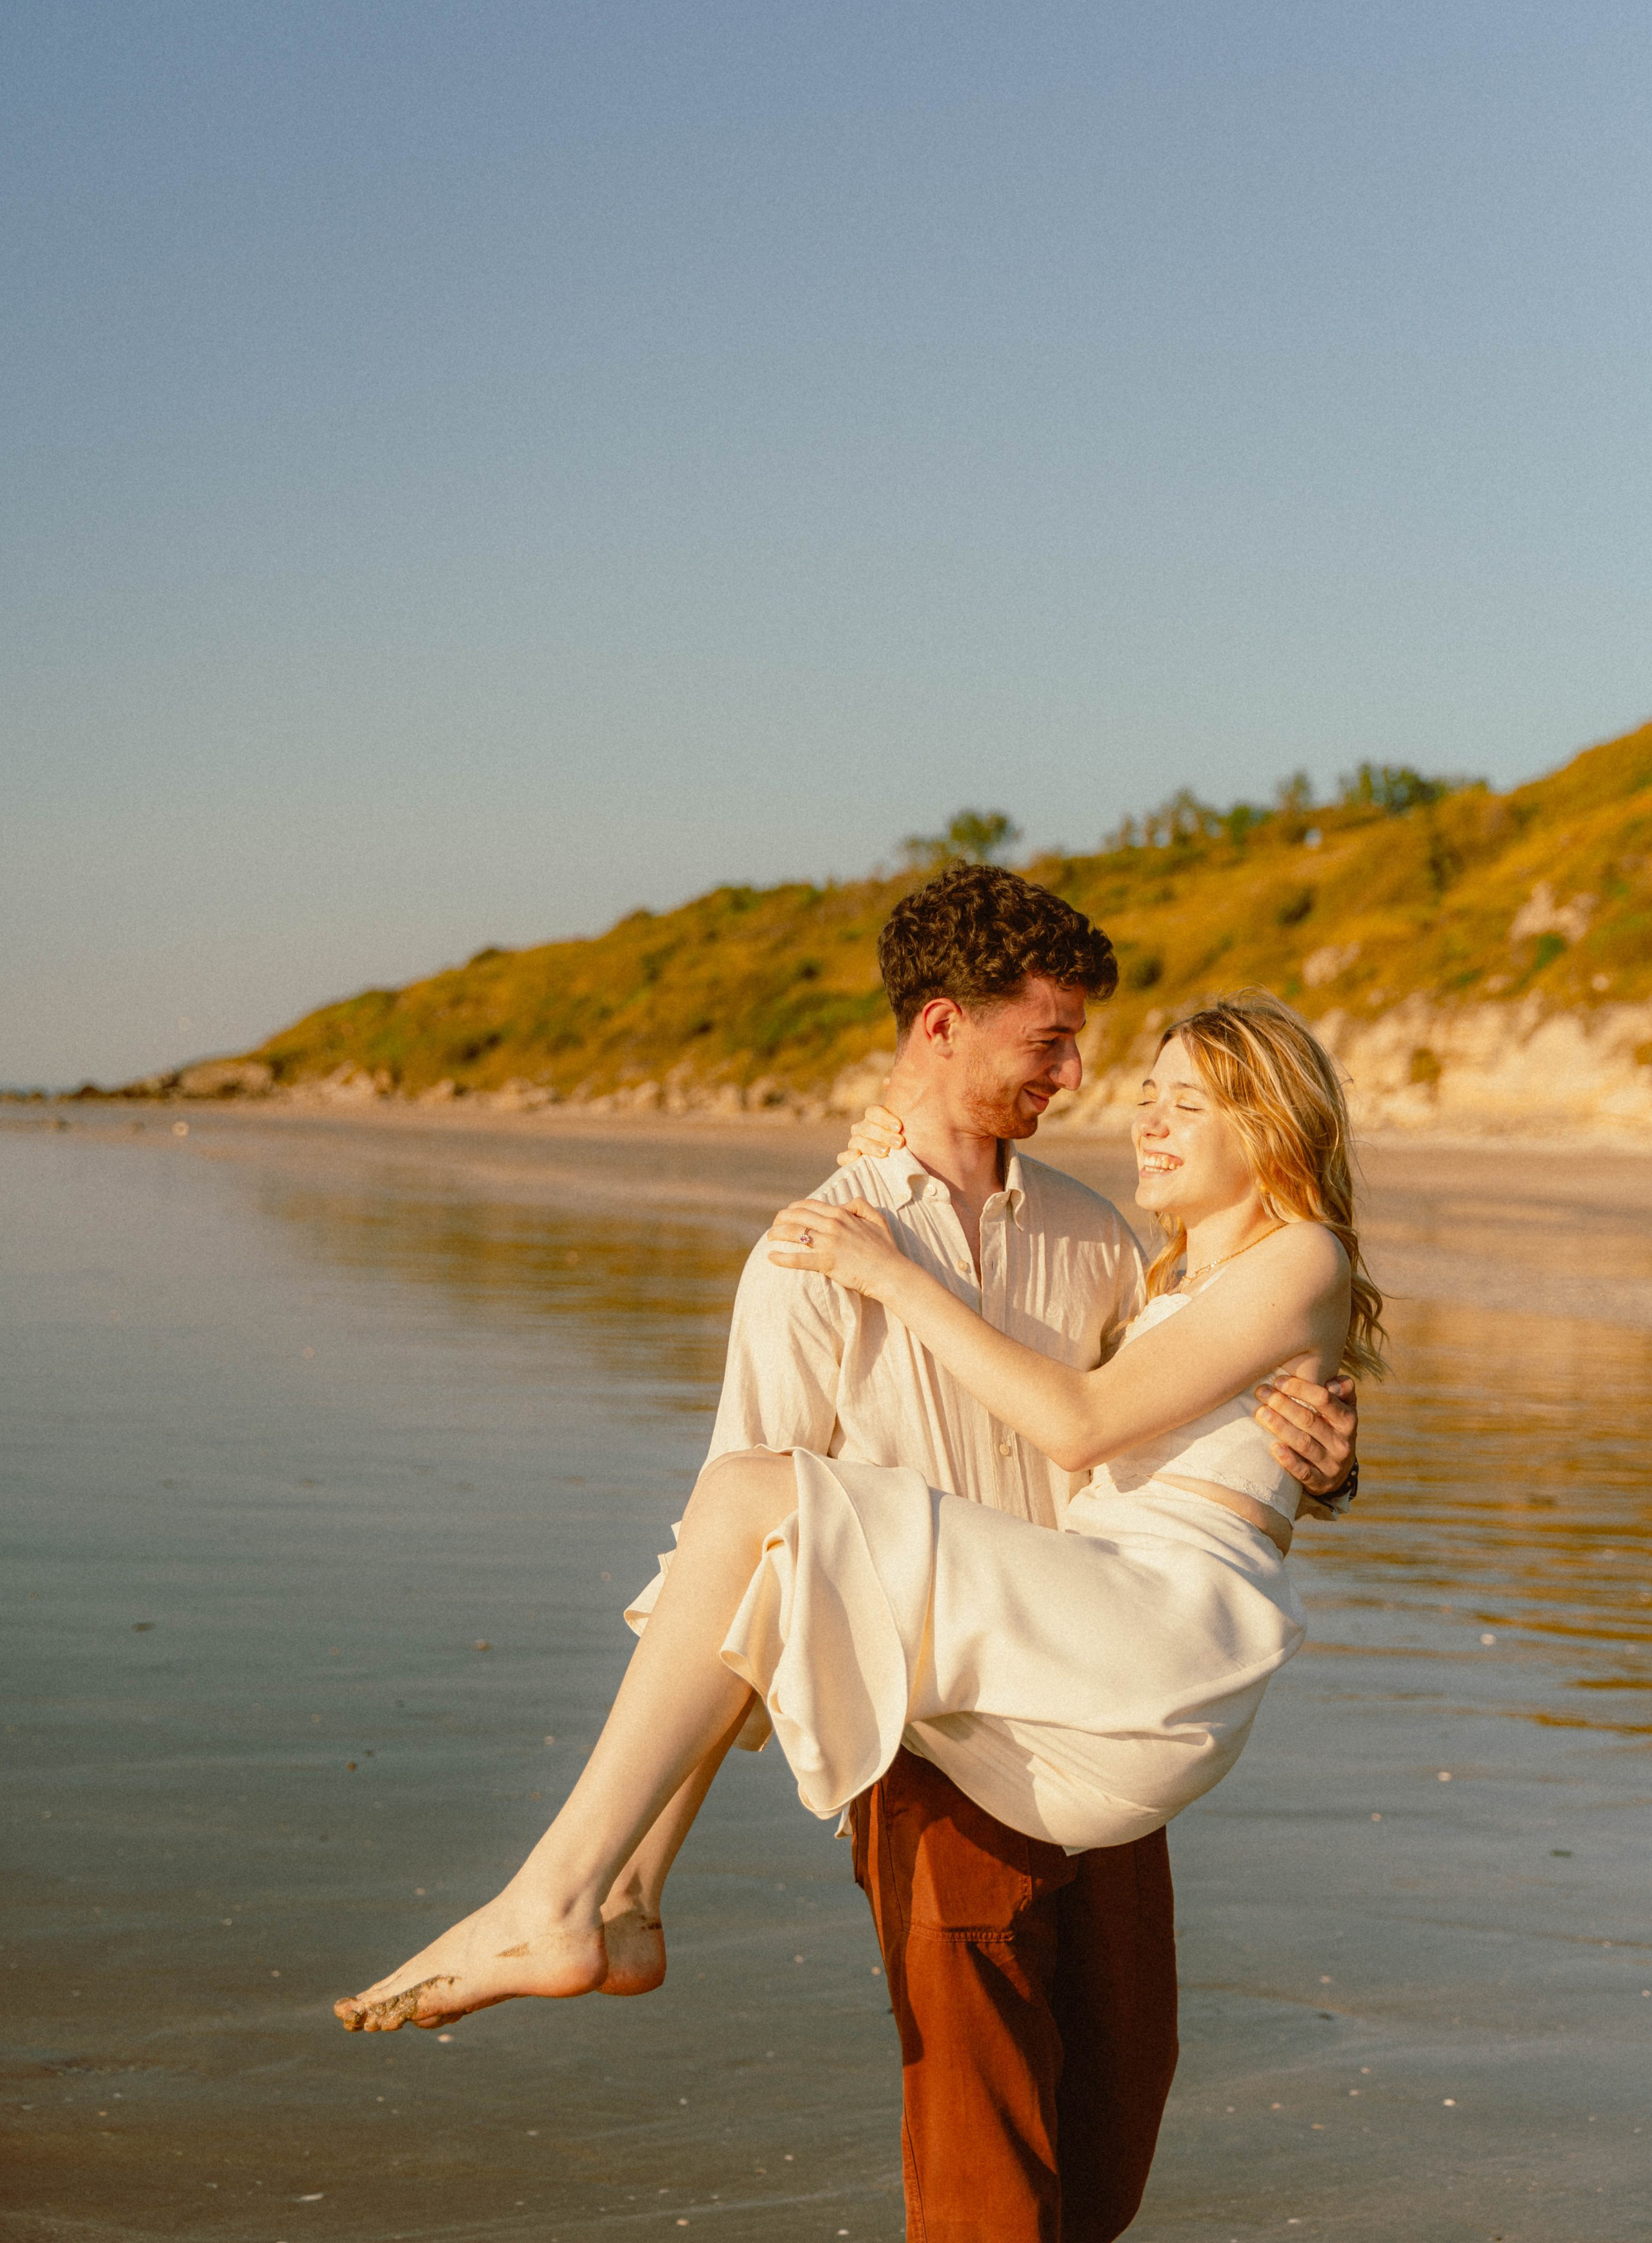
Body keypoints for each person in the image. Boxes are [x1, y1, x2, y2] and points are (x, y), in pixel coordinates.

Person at [336, 870, 1365, 2243]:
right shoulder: (813, 1257)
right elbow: (729, 1584)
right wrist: (651, 1856)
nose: (1080, 1078)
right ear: (942, 1025)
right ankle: (588, 1893)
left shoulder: (1104, 1239)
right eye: (1045, 1043)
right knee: (983, 2175)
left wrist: (1324, 1451)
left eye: (1085, 1047)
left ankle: (589, 1898)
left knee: (1111, 2139)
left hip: (1102, 1683)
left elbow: (1180, 1425)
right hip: (933, 1743)